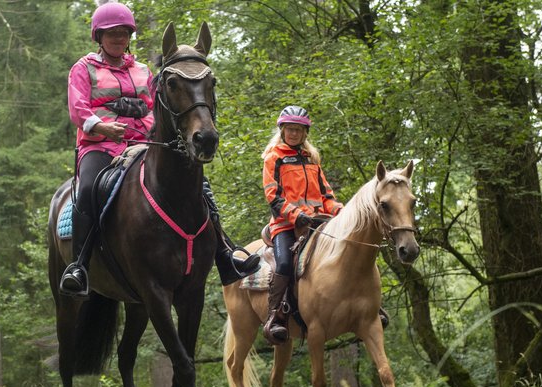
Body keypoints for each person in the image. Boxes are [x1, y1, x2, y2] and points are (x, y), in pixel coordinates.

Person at [60, 2, 259, 298]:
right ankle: (80, 264)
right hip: (100, 145)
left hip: (144, 143)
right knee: (89, 187)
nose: (118, 38)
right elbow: (78, 109)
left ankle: (225, 254)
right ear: (99, 37)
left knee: (199, 185)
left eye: (124, 33)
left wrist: (152, 124)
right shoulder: (83, 68)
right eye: (111, 33)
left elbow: (160, 108)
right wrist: (102, 127)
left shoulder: (142, 70)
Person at [260, 105, 344, 345]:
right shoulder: (273, 157)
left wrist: (343, 212)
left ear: (305, 133)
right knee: (285, 263)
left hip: (318, 223)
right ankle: (275, 317)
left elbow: (327, 197)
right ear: (282, 130)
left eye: (298, 130)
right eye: (290, 129)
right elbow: (273, 197)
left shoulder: (312, 159)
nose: (294, 134)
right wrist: (296, 216)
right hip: (285, 225)